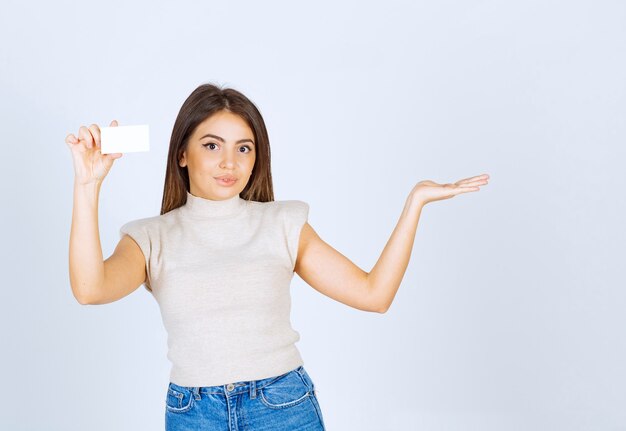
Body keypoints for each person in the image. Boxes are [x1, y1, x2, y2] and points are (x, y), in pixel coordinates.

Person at [65, 82, 490, 430]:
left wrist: (415, 203)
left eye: (244, 148)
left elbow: (374, 295)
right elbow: (90, 289)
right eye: (212, 146)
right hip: (193, 414)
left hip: (281, 407)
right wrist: (87, 186)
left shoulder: (283, 224)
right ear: (182, 154)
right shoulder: (149, 237)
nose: (229, 161)